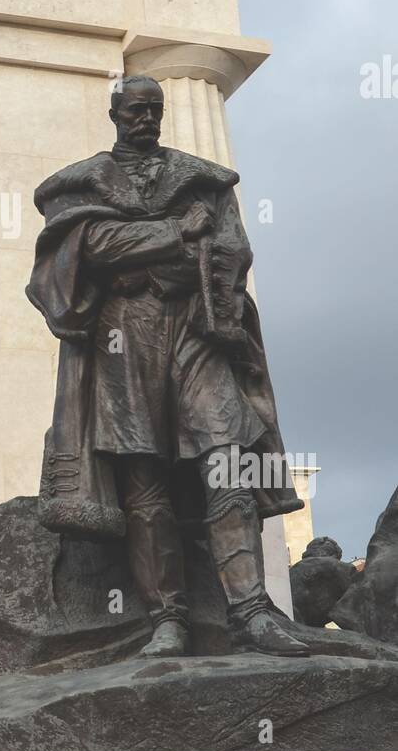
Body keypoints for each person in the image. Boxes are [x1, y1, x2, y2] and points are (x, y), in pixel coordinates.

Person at [27, 75, 307, 659]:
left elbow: (232, 251)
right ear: (114, 112)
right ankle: (168, 616)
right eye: (135, 110)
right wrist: (176, 233)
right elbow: (94, 247)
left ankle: (251, 610)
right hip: (122, 337)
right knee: (142, 473)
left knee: (227, 453)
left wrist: (170, 259)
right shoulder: (81, 184)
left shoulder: (203, 180)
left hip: (196, 327)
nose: (145, 119)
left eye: (154, 109)